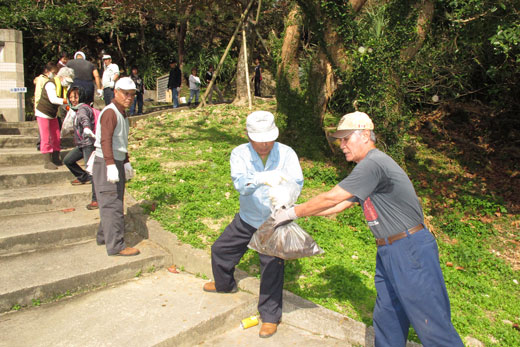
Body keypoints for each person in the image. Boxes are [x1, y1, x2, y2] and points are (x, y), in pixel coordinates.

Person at [273, 111, 464, 347]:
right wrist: (293, 211)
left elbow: (332, 198)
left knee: (431, 323)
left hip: (410, 250)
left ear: (365, 135)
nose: (341, 145)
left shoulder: (373, 163)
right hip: (389, 251)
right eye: (339, 140)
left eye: (346, 139)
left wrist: (292, 212)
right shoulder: (368, 169)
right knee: (388, 318)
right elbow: (338, 206)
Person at [202, 111, 304, 338]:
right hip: (247, 217)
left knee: (271, 268)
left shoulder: (287, 153)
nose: (265, 145)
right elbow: (240, 184)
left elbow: (297, 181)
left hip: (273, 220)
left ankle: (269, 316)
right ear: (249, 137)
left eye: (269, 139)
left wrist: (285, 194)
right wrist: (260, 178)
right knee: (221, 249)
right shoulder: (239, 154)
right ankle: (224, 284)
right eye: (260, 140)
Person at [93, 77, 139, 256]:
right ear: (116, 92)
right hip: (106, 162)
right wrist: (110, 164)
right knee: (112, 204)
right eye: (125, 93)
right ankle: (117, 246)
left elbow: (121, 140)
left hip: (116, 160)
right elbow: (106, 140)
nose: (129, 97)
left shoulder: (122, 113)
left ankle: (104, 236)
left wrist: (125, 161)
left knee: (113, 201)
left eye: (132, 94)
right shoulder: (110, 113)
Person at [63, 84, 98, 210]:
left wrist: (87, 128)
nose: (73, 99)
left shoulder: (82, 108)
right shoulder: (77, 109)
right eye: (71, 97)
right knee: (68, 160)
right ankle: (83, 177)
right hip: (82, 144)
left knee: (92, 171)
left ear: (81, 96)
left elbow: (84, 120)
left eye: (75, 96)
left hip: (88, 143)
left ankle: (96, 199)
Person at [35, 64, 74, 169]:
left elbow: (64, 102)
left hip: (53, 114)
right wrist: (68, 101)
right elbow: (53, 99)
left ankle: (56, 158)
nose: (68, 83)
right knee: (45, 137)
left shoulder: (63, 87)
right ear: (61, 77)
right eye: (67, 80)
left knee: (56, 135)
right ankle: (47, 161)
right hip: (43, 113)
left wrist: (70, 107)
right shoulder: (50, 84)